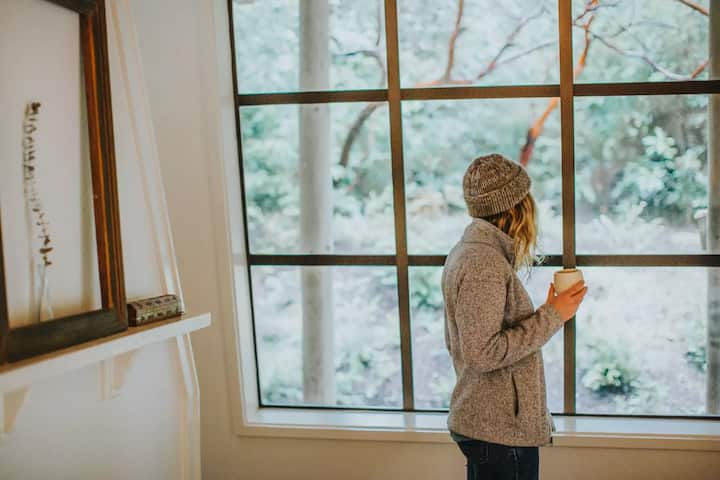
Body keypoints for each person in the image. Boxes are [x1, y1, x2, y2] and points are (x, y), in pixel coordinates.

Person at [442, 153, 588, 480]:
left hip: (489, 427)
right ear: (515, 207)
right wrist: (553, 315)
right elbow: (482, 352)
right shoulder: (483, 264)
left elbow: (478, 337)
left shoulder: (472, 252)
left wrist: (548, 313)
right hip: (499, 433)